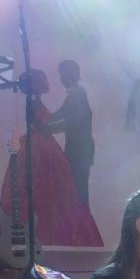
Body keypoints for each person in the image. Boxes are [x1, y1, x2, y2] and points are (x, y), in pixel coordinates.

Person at [0, 68, 102, 248]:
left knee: (54, 194)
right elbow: (54, 122)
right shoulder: (37, 103)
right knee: (53, 194)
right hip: (40, 148)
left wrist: (46, 128)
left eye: (62, 75)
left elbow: (59, 121)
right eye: (44, 80)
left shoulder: (74, 96)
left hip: (43, 147)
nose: (56, 80)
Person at [48, 59, 95, 211]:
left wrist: (46, 128)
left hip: (79, 153)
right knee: (76, 194)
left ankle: (82, 223)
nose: (60, 79)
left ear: (69, 75)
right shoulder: (76, 95)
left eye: (62, 74)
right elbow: (61, 114)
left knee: (77, 195)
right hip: (79, 152)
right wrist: (45, 121)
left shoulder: (78, 95)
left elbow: (70, 122)